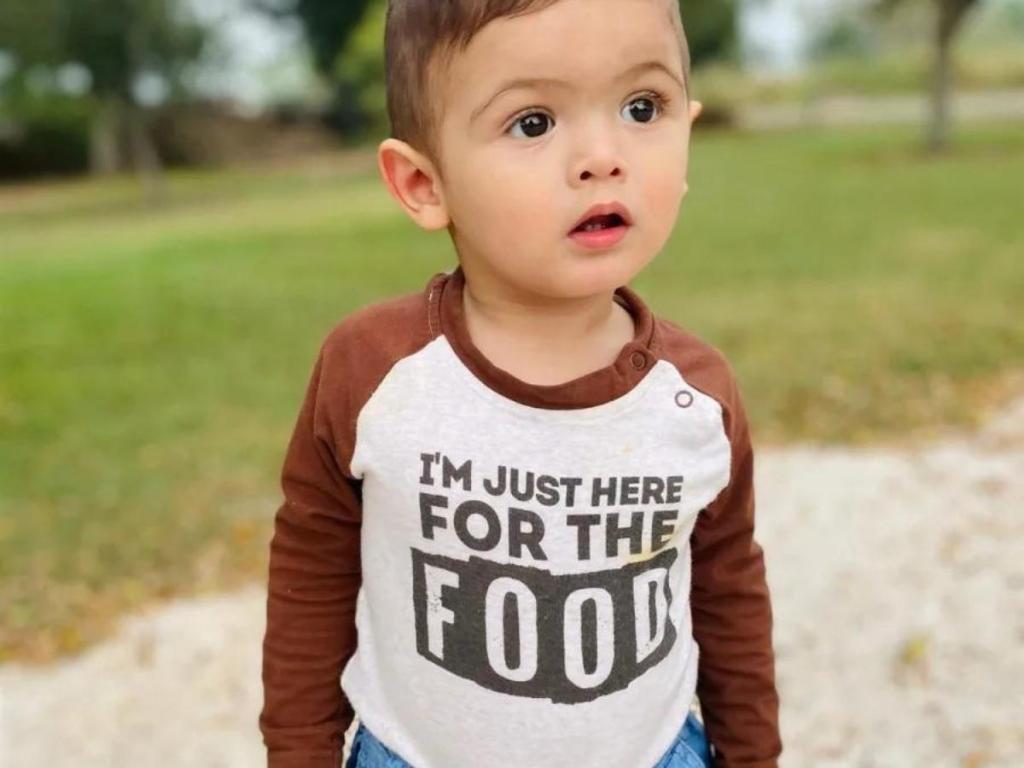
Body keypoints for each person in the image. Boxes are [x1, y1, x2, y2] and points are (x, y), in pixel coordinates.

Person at [259, 0, 782, 766]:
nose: (603, 156)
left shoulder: (696, 398)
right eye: (533, 123)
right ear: (422, 184)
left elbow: (729, 592)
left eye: (644, 107)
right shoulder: (372, 372)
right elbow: (311, 571)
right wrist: (299, 752)